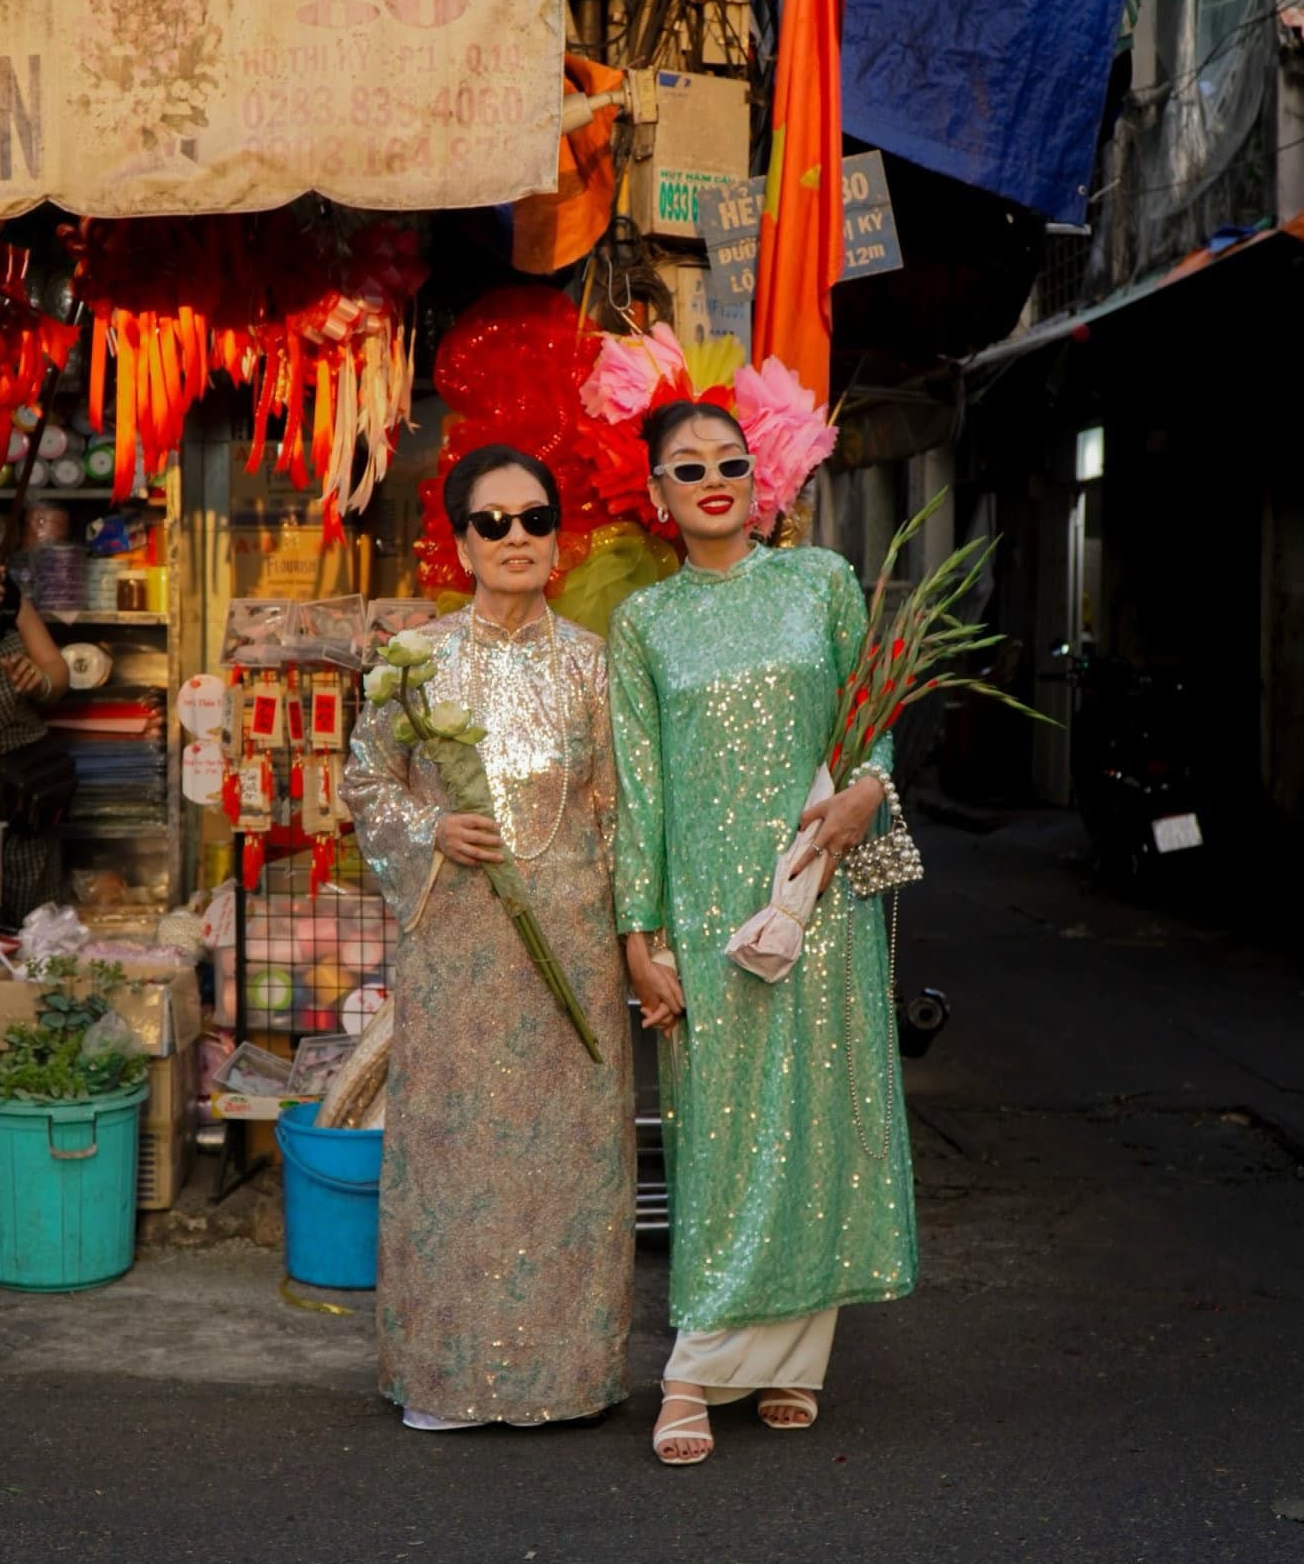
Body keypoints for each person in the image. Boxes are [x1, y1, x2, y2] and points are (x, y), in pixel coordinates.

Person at [608, 401, 918, 1465]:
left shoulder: (820, 582)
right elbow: (639, 787)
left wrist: (865, 790)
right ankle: (694, 1364)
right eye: (684, 467)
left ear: (761, 477)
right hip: (706, 905)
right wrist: (635, 930)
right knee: (725, 1128)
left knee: (812, 1116)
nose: (711, 479)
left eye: (729, 462)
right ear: (653, 494)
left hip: (817, 887)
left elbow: (868, 713)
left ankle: (791, 1359)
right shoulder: (644, 622)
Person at [344, 446, 634, 1431]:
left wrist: (639, 939)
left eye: (534, 518)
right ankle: (448, 1375)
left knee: (565, 1157)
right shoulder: (413, 661)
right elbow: (367, 785)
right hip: (456, 946)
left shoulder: (594, 662)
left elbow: (617, 810)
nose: (517, 538)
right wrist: (431, 827)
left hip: (573, 949)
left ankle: (564, 1376)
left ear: (559, 533)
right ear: (459, 538)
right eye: (492, 521)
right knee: (456, 1156)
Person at [0, 561, 70, 927]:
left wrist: (40, 681)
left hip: (27, 789)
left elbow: (56, 667)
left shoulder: (1, 591)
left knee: (38, 930)